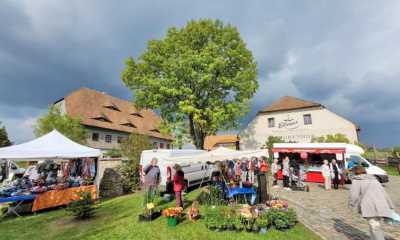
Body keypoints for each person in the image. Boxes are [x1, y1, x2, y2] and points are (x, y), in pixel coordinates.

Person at [349, 166, 395, 240]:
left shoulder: (357, 180)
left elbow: (353, 195)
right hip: (381, 204)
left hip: (369, 205)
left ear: (355, 172)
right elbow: (384, 193)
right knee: (374, 225)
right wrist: (390, 205)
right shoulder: (374, 179)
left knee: (374, 226)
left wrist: (351, 204)